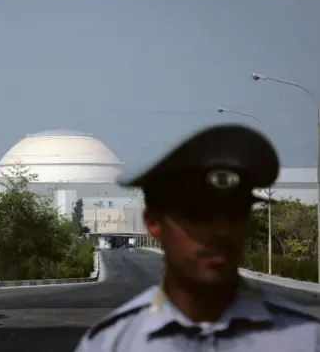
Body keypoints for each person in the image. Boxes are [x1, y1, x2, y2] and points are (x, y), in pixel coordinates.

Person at [74, 124, 320, 351]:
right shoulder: (113, 344)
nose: (221, 231)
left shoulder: (305, 339)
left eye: (235, 212)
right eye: (199, 214)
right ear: (153, 223)